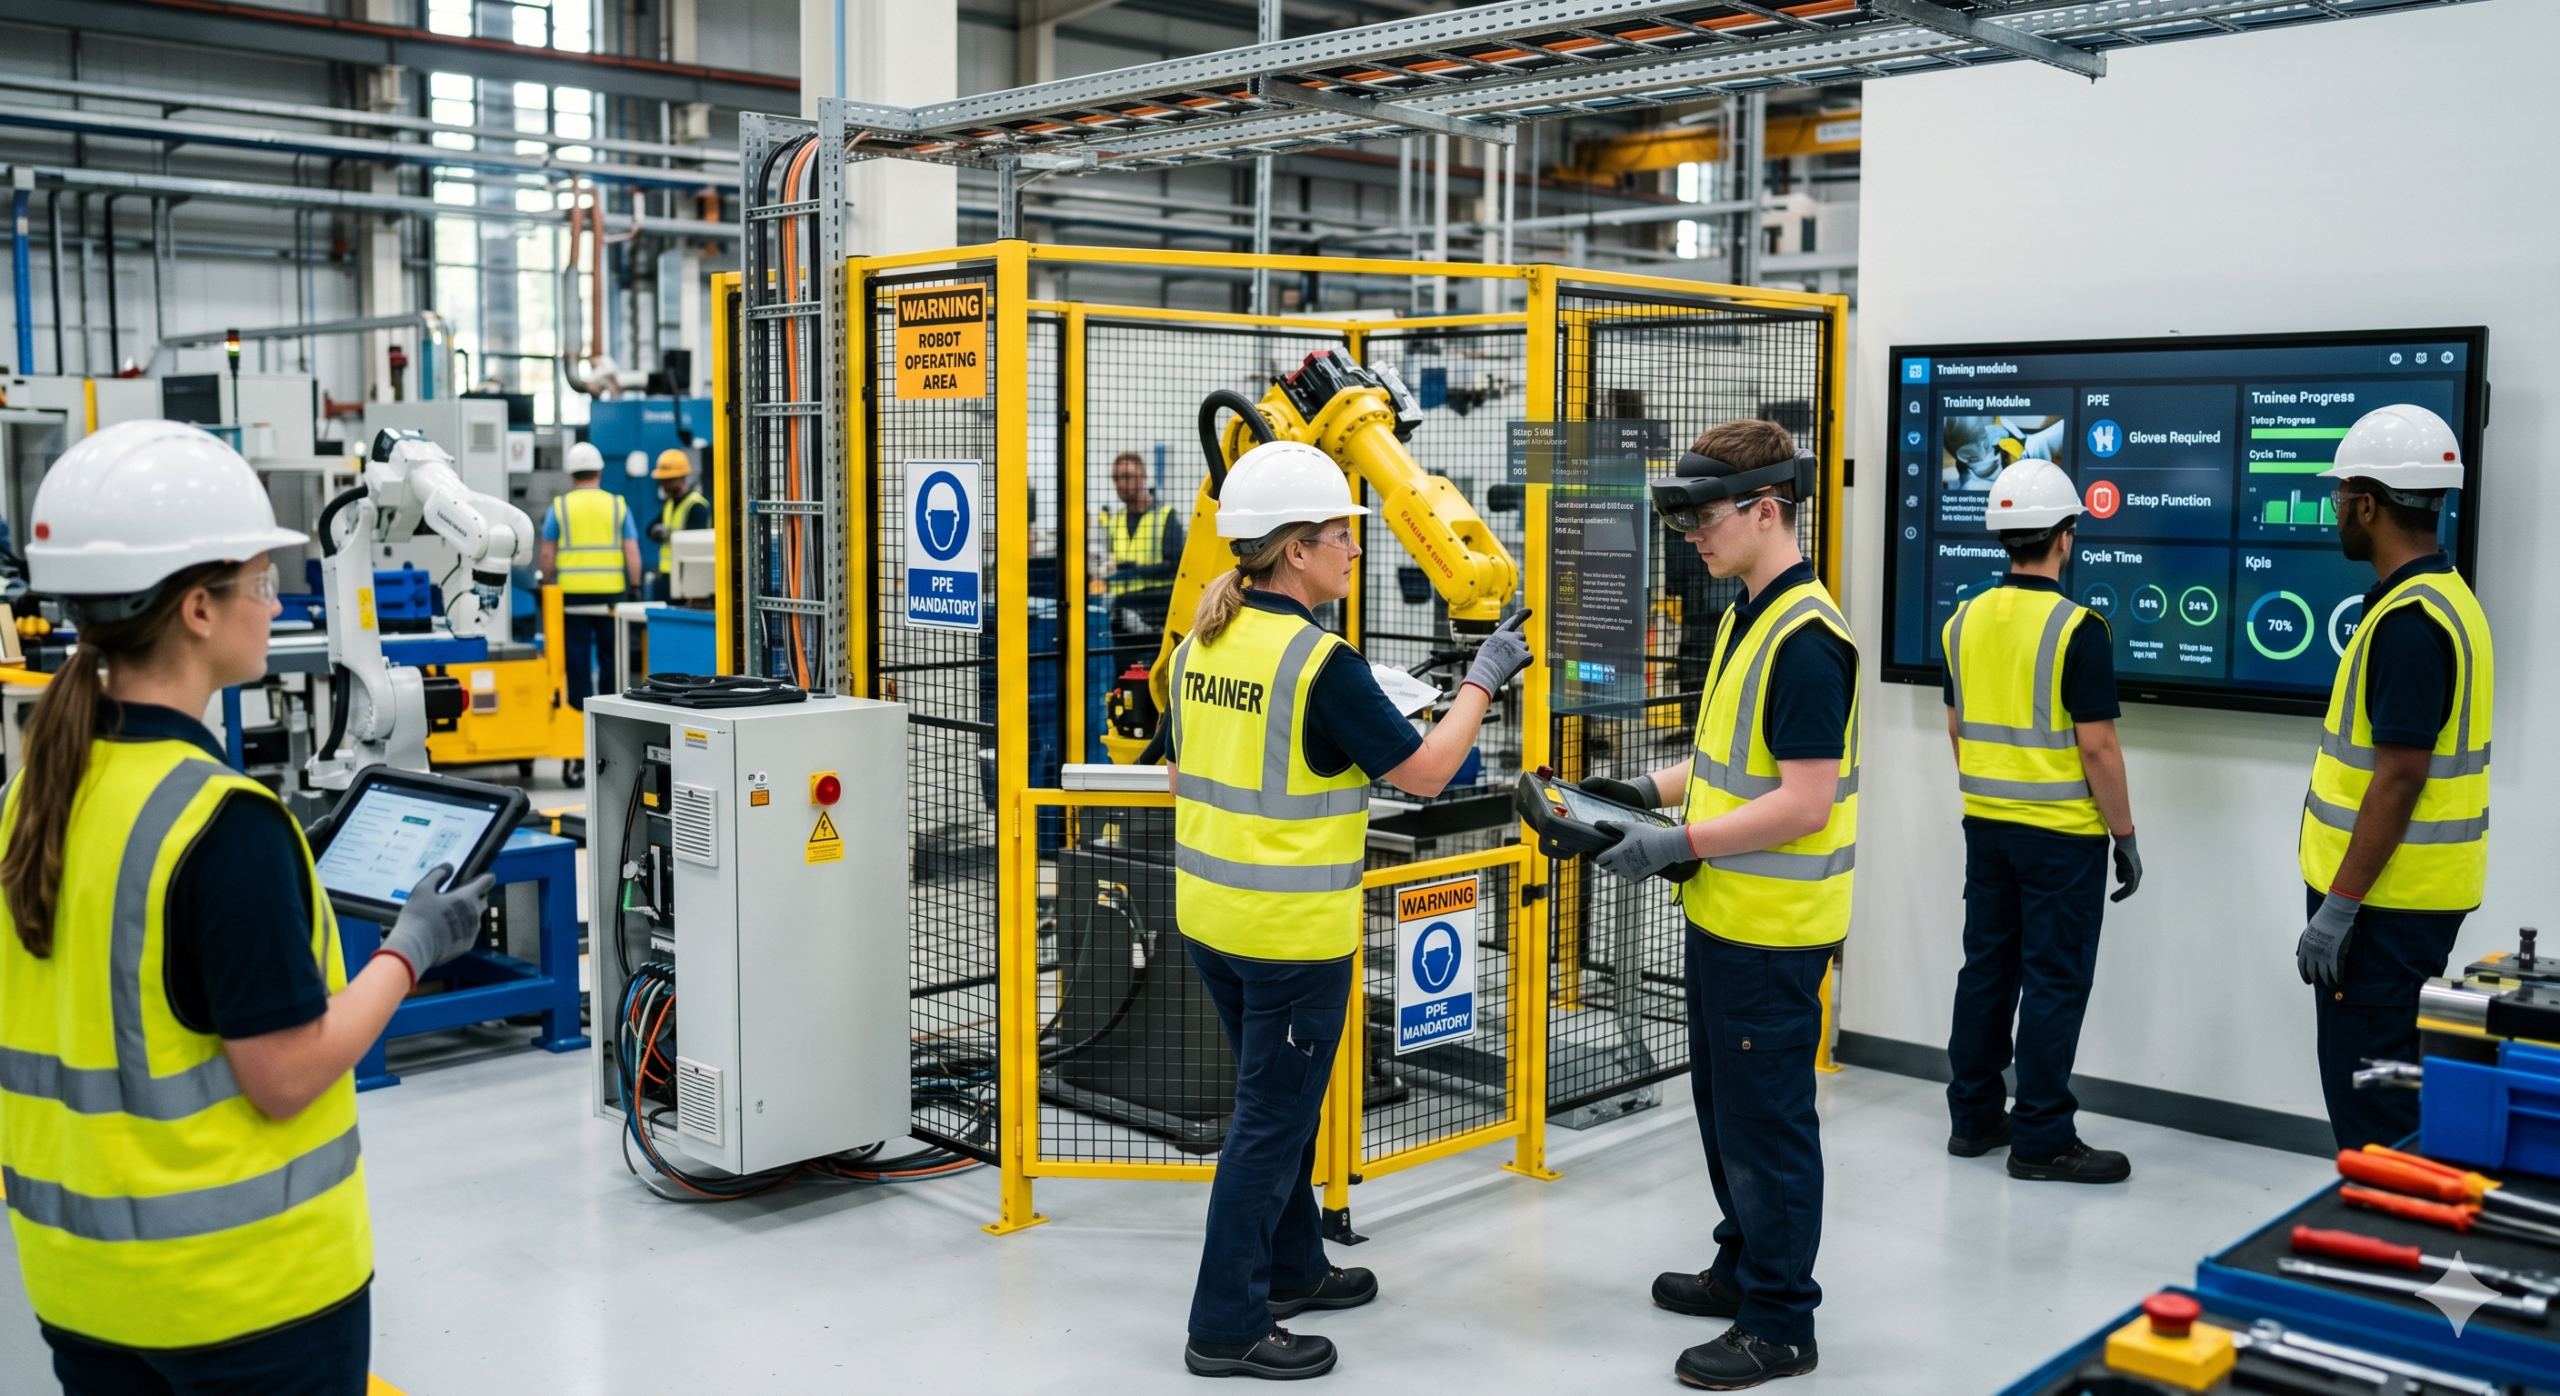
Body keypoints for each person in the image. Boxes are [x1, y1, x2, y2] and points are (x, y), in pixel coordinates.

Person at [0, 420, 493, 1393]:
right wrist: (409, 948)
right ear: (196, 607)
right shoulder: (223, 824)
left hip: (84, 1291)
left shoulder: (35, 792)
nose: (274, 605)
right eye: (261, 583)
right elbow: (285, 1073)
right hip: (245, 1298)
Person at [1169, 439, 1530, 1381]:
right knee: (1268, 1125)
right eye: (1340, 535)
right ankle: (1226, 1324)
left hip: (1214, 920)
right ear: (1294, 550)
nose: (1354, 550)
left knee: (1273, 1113)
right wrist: (1483, 679)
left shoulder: (1200, 642)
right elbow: (1424, 772)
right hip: (1291, 935)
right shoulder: (1320, 661)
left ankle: (1291, 1269)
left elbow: (1183, 766)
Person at [1579, 418, 1855, 1390]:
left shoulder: (1810, 640)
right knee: (1725, 1112)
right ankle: (1743, 1264)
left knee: (1768, 1125)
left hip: (1774, 934)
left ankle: (1779, 1320)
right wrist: (1642, 794)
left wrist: (1676, 842)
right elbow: (1734, 764)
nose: (1692, 534)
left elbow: (1804, 800)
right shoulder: (1749, 613)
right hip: (1722, 918)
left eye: (1705, 516)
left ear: (1765, 508)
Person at [1938, 458, 2142, 1184]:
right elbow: (2098, 745)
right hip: (2061, 839)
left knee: (1986, 971)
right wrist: (2124, 836)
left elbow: (1959, 725)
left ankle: (1972, 1120)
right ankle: (2043, 1138)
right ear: (2065, 537)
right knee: (2054, 981)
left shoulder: (1961, 622)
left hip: (1985, 829)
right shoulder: (2078, 629)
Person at [2295, 403, 2488, 1152]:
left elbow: (2399, 780)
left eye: (2341, 495)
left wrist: (2338, 909)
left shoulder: (2410, 627)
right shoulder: (2445, 600)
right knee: (2391, 1093)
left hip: (2382, 910)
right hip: (2405, 903)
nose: (2336, 509)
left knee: (2374, 1114)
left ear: (2368, 504)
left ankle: (2394, 1258)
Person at [538, 440, 641, 787]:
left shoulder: (559, 508)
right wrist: (636, 587)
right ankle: (611, 714)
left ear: (571, 473)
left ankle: (581, 721)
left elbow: (547, 554)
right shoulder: (617, 505)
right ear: (599, 471)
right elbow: (631, 550)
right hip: (612, 596)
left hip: (572, 599)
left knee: (577, 661)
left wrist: (547, 586)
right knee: (614, 659)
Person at [1105, 450, 1185, 596]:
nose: (1121, 484)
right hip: (1120, 606)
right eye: (1116, 478)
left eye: (1127, 477)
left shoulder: (1165, 516)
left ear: (1143, 476)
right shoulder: (1115, 521)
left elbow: (1177, 565)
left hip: (1155, 605)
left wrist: (1136, 569)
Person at [646, 448, 710, 603]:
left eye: (669, 479)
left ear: (682, 477)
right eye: (662, 480)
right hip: (667, 575)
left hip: (688, 579)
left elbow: (695, 541)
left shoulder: (696, 506)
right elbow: (650, 529)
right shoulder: (669, 504)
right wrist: (659, 532)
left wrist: (668, 534)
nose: (664, 484)